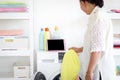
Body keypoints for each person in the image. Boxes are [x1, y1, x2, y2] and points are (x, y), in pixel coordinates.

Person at [69, 0, 117, 80]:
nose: (81, 8)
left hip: (100, 71)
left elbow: (97, 49)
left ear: (84, 2)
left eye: (80, 4)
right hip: (100, 68)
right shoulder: (98, 15)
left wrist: (89, 72)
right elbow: (94, 44)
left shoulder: (98, 18)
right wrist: (79, 49)